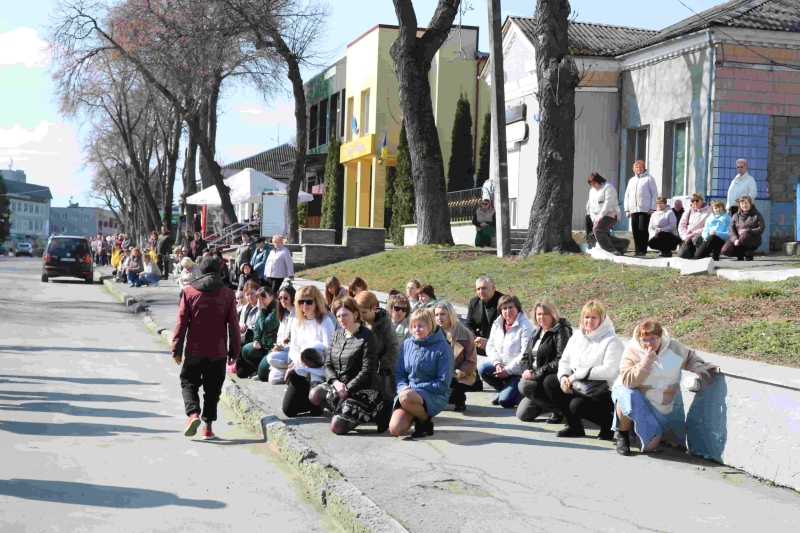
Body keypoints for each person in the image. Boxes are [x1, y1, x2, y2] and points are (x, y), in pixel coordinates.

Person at [612, 318, 717, 456]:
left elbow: (690, 357)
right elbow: (628, 381)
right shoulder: (632, 351)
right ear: (639, 340)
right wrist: (646, 362)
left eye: (653, 339)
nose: (649, 343)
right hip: (636, 396)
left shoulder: (673, 347)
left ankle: (637, 428)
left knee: (649, 447)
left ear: (660, 337)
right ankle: (622, 434)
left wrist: (697, 366)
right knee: (625, 394)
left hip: (659, 404)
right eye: (645, 340)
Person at [172, 256, 240, 441]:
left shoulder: (189, 291)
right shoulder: (228, 294)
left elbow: (181, 323)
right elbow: (234, 326)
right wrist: (234, 352)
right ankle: (207, 428)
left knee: (188, 382)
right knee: (213, 390)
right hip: (218, 351)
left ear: (200, 271)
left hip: (194, 350)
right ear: (220, 271)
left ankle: (193, 413)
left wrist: (176, 349)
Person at [542, 300, 623, 439]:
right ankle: (575, 427)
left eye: (594, 317)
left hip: (602, 389)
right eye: (586, 317)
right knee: (550, 382)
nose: (589, 321)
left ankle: (608, 424)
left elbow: (608, 370)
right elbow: (565, 360)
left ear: (602, 319)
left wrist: (575, 376)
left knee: (576, 405)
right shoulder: (577, 336)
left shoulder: (612, 340)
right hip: (579, 384)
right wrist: (563, 377)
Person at [308, 297, 382, 434]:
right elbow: (328, 364)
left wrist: (347, 389)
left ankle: (368, 413)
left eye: (345, 315)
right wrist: (336, 383)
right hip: (340, 387)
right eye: (338, 316)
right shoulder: (337, 335)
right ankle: (344, 410)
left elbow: (367, 370)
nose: (341, 319)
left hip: (363, 390)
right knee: (314, 394)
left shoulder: (368, 336)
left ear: (355, 314)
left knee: (337, 428)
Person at [390, 308, 454, 438]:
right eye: (413, 326)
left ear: (431, 325)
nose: (416, 330)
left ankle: (425, 421)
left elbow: (443, 382)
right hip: (408, 394)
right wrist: (402, 387)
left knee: (406, 397)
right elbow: (400, 373)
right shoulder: (407, 344)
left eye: (420, 326)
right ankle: (416, 412)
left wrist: (413, 390)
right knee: (395, 429)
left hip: (434, 394)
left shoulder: (444, 347)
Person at [281, 286, 336, 417]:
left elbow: (329, 351)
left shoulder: (325, 321)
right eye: (301, 301)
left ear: (317, 302)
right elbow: (293, 350)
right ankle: (311, 400)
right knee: (288, 411)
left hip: (319, 370)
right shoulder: (297, 322)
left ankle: (317, 401)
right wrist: (300, 361)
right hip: (301, 367)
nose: (304, 305)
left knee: (314, 410)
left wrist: (309, 362)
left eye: (309, 301)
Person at [516, 298, 573, 423]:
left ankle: (560, 409)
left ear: (553, 314)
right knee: (523, 415)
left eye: (545, 314)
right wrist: (526, 371)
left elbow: (561, 359)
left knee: (524, 386)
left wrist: (536, 374)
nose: (542, 317)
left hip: (550, 379)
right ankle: (549, 405)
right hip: (536, 379)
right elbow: (525, 357)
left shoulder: (561, 330)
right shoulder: (536, 331)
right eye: (539, 314)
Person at [356, 291, 400, 432]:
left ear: (374, 308)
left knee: (383, 384)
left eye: (364, 312)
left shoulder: (386, 325)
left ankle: (385, 416)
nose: (360, 316)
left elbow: (393, 350)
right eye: (358, 313)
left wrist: (379, 366)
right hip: (364, 366)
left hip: (381, 369)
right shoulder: (359, 323)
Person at [479, 294, 534, 408]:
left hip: (519, 372)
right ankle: (504, 390)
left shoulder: (526, 326)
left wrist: (508, 370)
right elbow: (490, 346)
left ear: (518, 308)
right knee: (483, 369)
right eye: (504, 308)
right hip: (503, 366)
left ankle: (518, 393)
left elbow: (525, 354)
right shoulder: (497, 324)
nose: (507, 311)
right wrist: (497, 363)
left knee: (505, 402)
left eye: (511, 307)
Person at [434, 301, 477, 412]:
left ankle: (458, 399)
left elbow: (471, 360)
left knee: (454, 393)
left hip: (459, 374)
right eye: (436, 314)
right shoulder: (432, 333)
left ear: (450, 314)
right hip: (437, 373)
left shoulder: (464, 333)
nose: (439, 317)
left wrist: (456, 373)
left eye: (442, 314)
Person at [237, 287, 280, 380]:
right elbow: (257, 326)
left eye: (263, 298)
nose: (260, 301)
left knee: (263, 376)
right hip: (263, 344)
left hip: (272, 347)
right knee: (246, 349)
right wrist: (256, 339)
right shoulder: (264, 308)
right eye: (259, 299)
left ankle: (268, 371)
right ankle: (258, 369)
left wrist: (261, 311)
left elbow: (265, 326)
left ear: (271, 297)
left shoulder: (275, 309)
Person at [260, 285, 297, 383]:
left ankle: (296, 372)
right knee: (273, 379)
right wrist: (278, 346)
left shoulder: (298, 315)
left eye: (285, 298)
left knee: (271, 358)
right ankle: (290, 373)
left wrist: (283, 348)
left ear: (293, 297)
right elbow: (280, 337)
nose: (282, 300)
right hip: (282, 350)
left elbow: (297, 342)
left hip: (293, 352)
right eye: (280, 298)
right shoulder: (283, 315)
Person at [587, 172, 629, 255]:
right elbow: (591, 206)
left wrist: (600, 216)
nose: (592, 186)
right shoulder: (592, 191)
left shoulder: (608, 187)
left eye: (594, 183)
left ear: (599, 181)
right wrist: (593, 218)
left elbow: (608, 204)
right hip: (598, 216)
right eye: (591, 184)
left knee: (597, 229)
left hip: (611, 213)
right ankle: (623, 243)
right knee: (603, 233)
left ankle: (610, 250)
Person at [624, 160, 659, 257]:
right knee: (635, 230)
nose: (638, 169)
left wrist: (652, 208)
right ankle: (637, 251)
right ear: (634, 169)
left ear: (644, 168)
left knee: (642, 229)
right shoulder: (631, 180)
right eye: (637, 167)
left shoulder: (649, 178)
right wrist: (627, 209)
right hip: (633, 209)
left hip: (645, 209)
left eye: (640, 167)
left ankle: (643, 251)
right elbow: (627, 195)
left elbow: (654, 194)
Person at [466, 275, 504, 357]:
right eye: (478, 289)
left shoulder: (503, 303)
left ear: (493, 288)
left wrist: (488, 342)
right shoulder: (474, 302)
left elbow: (506, 328)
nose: (481, 291)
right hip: (479, 343)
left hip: (499, 347)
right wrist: (476, 338)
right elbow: (469, 325)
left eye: (484, 288)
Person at [722, 195, 765, 261]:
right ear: (739, 205)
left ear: (750, 204)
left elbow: (761, 228)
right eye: (742, 203)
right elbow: (731, 229)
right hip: (738, 239)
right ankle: (740, 254)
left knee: (744, 237)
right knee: (725, 250)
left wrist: (747, 230)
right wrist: (735, 239)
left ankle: (749, 253)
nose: (744, 205)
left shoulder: (757, 215)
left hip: (753, 240)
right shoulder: (736, 215)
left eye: (746, 203)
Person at [677, 193, 711, 259]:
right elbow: (681, 225)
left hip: (700, 236)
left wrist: (693, 234)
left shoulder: (708, 211)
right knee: (682, 254)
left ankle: (704, 252)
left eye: (697, 200)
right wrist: (685, 237)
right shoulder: (689, 210)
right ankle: (693, 252)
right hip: (688, 237)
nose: (695, 202)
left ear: (701, 200)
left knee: (697, 238)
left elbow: (707, 227)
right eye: (692, 201)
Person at [238, 281, 260, 347]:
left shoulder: (261, 308)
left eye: (252, 293)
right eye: (247, 294)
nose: (250, 296)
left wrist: (247, 327)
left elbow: (259, 327)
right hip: (243, 337)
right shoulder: (245, 307)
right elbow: (240, 322)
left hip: (255, 340)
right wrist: (241, 324)